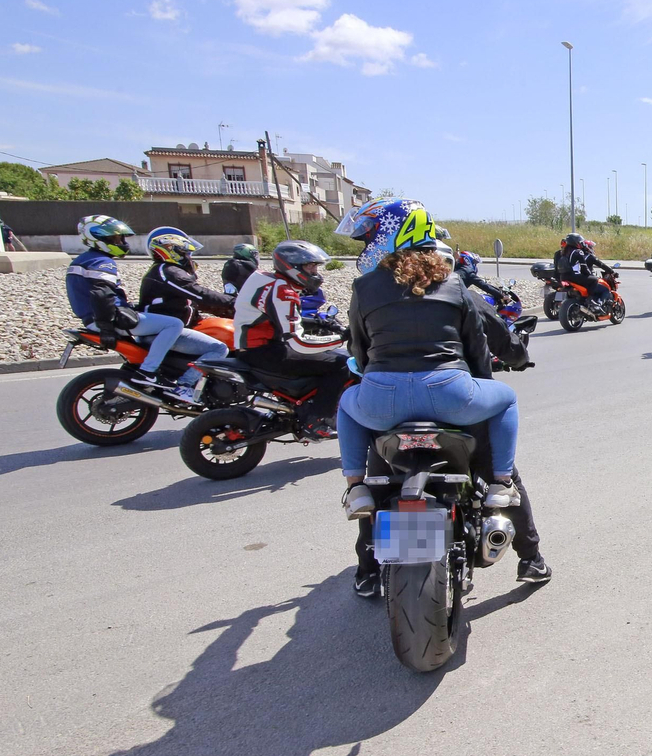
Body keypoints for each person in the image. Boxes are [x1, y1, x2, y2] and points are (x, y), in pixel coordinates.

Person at [334, 198, 522, 524]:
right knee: (507, 398)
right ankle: (502, 484)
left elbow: (359, 351)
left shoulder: (363, 287)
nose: (366, 243)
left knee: (346, 404)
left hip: (382, 399)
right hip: (450, 395)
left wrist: (374, 378)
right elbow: (477, 348)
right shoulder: (454, 284)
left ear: (392, 234)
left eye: (370, 235)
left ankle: (355, 487)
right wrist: (478, 386)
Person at [65, 215, 208, 401]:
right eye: (116, 238)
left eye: (121, 238)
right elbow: (101, 294)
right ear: (99, 238)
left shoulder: (83, 260)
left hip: (94, 318)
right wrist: (106, 326)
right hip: (107, 319)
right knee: (173, 324)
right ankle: (148, 373)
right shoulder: (102, 262)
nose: (122, 243)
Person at [232, 240, 351, 438]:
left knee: (327, 356)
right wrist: (341, 338)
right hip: (265, 351)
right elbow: (298, 342)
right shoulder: (283, 292)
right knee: (342, 363)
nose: (315, 272)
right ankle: (317, 421)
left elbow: (273, 316)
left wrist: (320, 323)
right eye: (310, 266)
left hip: (250, 347)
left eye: (315, 267)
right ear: (292, 266)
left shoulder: (264, 278)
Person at [136, 230, 232, 377]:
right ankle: (185, 384)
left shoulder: (163, 271)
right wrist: (234, 302)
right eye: (186, 253)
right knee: (219, 349)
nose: (189, 257)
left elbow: (192, 301)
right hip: (162, 333)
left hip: (162, 331)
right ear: (173, 253)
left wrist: (224, 310)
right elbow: (200, 293)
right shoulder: (169, 272)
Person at [563, 233, 617, 313]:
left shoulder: (564, 253)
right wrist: (611, 271)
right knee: (601, 285)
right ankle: (594, 302)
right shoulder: (581, 253)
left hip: (566, 277)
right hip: (577, 277)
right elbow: (588, 266)